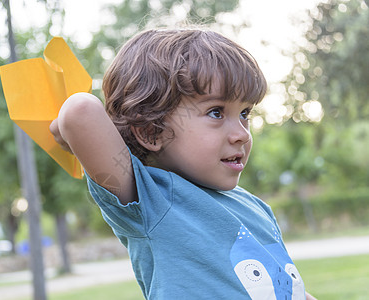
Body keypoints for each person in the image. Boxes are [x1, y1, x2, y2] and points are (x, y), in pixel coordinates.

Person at [50, 27, 316, 299]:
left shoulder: (255, 206)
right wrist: (65, 129)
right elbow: (81, 111)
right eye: (216, 112)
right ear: (151, 131)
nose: (242, 134)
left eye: (245, 113)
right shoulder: (151, 201)